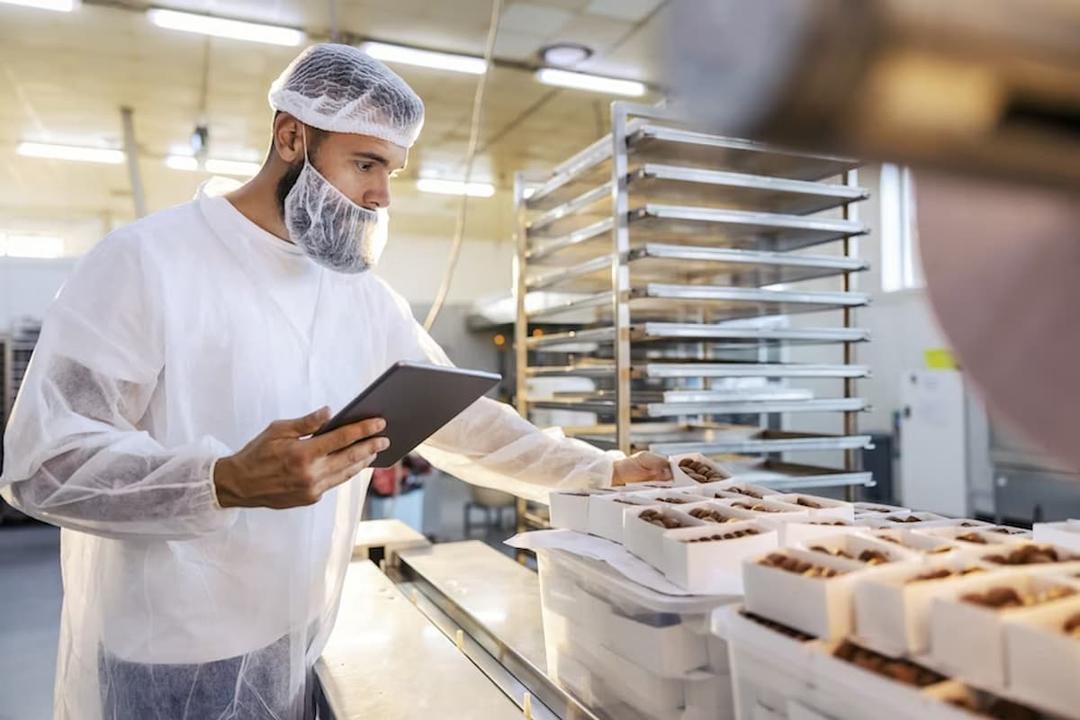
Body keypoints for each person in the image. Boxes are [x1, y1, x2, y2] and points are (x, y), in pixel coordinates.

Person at [0, 44, 672, 720]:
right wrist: (222, 480)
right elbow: (45, 462)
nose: (382, 195)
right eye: (366, 163)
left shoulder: (360, 298)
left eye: (392, 171)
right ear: (291, 137)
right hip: (171, 655)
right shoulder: (148, 262)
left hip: (297, 636)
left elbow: (464, 422)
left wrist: (600, 471)